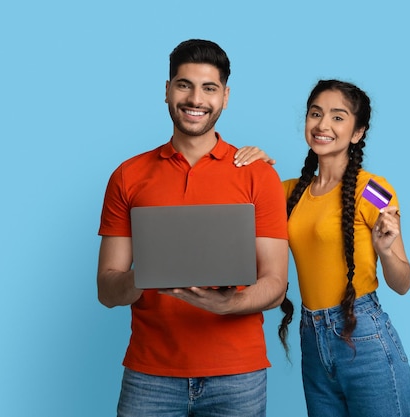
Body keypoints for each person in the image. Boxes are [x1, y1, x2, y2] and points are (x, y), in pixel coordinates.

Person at [96, 39, 289, 417]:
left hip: (238, 374)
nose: (195, 98)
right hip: (150, 374)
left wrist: (227, 303)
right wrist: (148, 275)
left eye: (209, 88)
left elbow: (276, 284)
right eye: (184, 84)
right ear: (167, 90)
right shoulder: (128, 175)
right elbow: (106, 288)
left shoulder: (258, 175)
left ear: (225, 97)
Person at [235, 79, 410, 417]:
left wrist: (387, 250)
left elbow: (403, 283)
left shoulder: (373, 190)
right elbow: (234, 204)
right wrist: (254, 163)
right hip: (311, 338)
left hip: (363, 334)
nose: (322, 125)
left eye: (338, 117)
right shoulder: (287, 192)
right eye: (315, 114)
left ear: (357, 132)